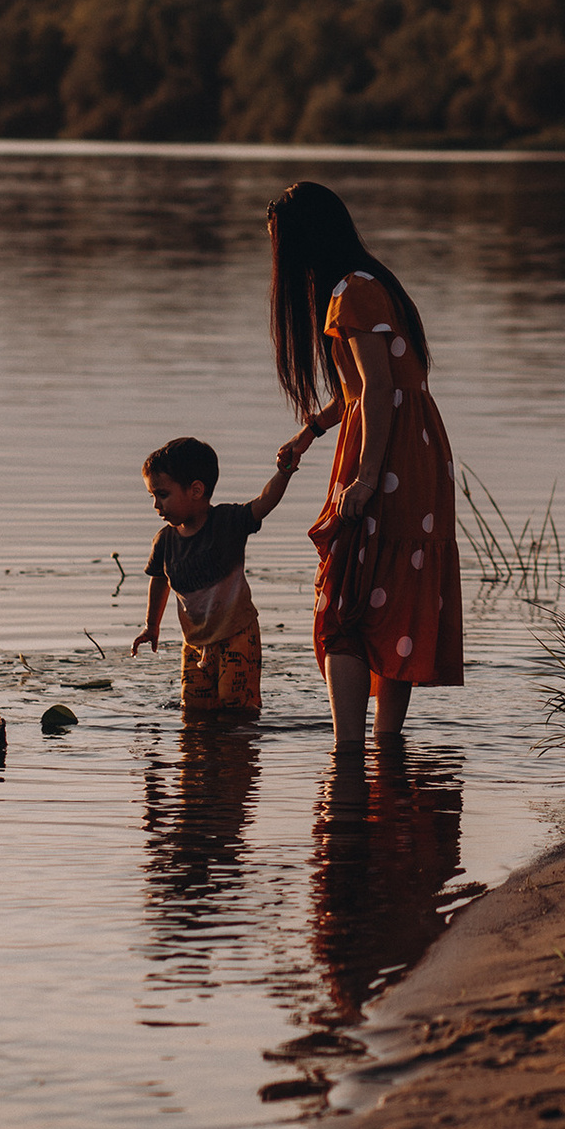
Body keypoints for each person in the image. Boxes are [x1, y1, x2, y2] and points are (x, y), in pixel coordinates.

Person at [268, 181, 465, 753]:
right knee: (392, 595)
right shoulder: (374, 284)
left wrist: (367, 477)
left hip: (387, 456)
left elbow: (378, 389)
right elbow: (365, 388)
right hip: (417, 453)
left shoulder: (350, 292)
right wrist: (311, 430)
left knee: (344, 604)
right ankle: (385, 750)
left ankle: (348, 756)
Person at [130, 435, 300, 714]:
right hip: (195, 641)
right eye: (153, 496)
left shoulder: (227, 523)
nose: (156, 505)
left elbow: (264, 503)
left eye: (163, 495)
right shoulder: (165, 541)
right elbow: (159, 580)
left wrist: (284, 473)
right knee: (194, 709)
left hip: (237, 634)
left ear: (196, 490)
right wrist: (151, 626)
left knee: (237, 708)